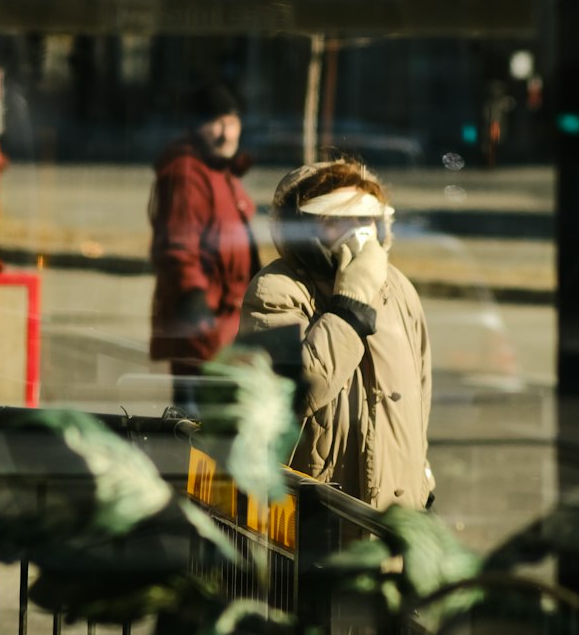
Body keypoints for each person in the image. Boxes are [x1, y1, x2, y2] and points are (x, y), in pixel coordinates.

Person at [239, 158, 435, 510]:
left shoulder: (399, 289)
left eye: (367, 219)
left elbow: (419, 396)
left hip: (395, 519)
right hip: (322, 517)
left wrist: (422, 486)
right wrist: (349, 307)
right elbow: (288, 395)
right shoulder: (276, 290)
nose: (359, 232)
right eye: (337, 220)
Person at [148, 82, 259, 411]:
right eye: (216, 123)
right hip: (203, 336)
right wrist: (196, 309)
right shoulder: (187, 173)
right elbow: (178, 248)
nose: (227, 134)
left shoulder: (221, 171)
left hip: (225, 331)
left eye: (232, 122)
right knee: (197, 442)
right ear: (196, 127)